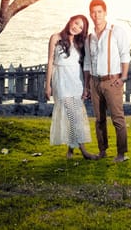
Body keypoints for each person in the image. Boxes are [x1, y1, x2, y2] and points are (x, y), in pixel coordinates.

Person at [84, 0, 131, 162]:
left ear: (105, 13)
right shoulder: (89, 38)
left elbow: (125, 55)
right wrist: (87, 86)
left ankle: (121, 154)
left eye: (99, 12)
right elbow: (87, 63)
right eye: (93, 12)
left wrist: (123, 78)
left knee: (118, 119)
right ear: (90, 14)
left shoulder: (117, 31)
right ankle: (102, 151)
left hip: (112, 81)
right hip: (95, 82)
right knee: (99, 120)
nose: (96, 15)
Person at [46, 15, 97, 160]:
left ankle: (71, 150)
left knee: (75, 115)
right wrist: (47, 85)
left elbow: (86, 63)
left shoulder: (79, 43)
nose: (76, 27)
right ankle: (84, 152)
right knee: (72, 115)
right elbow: (50, 61)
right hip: (61, 79)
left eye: (81, 27)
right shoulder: (55, 38)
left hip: (76, 80)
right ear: (70, 21)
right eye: (76, 23)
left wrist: (86, 87)